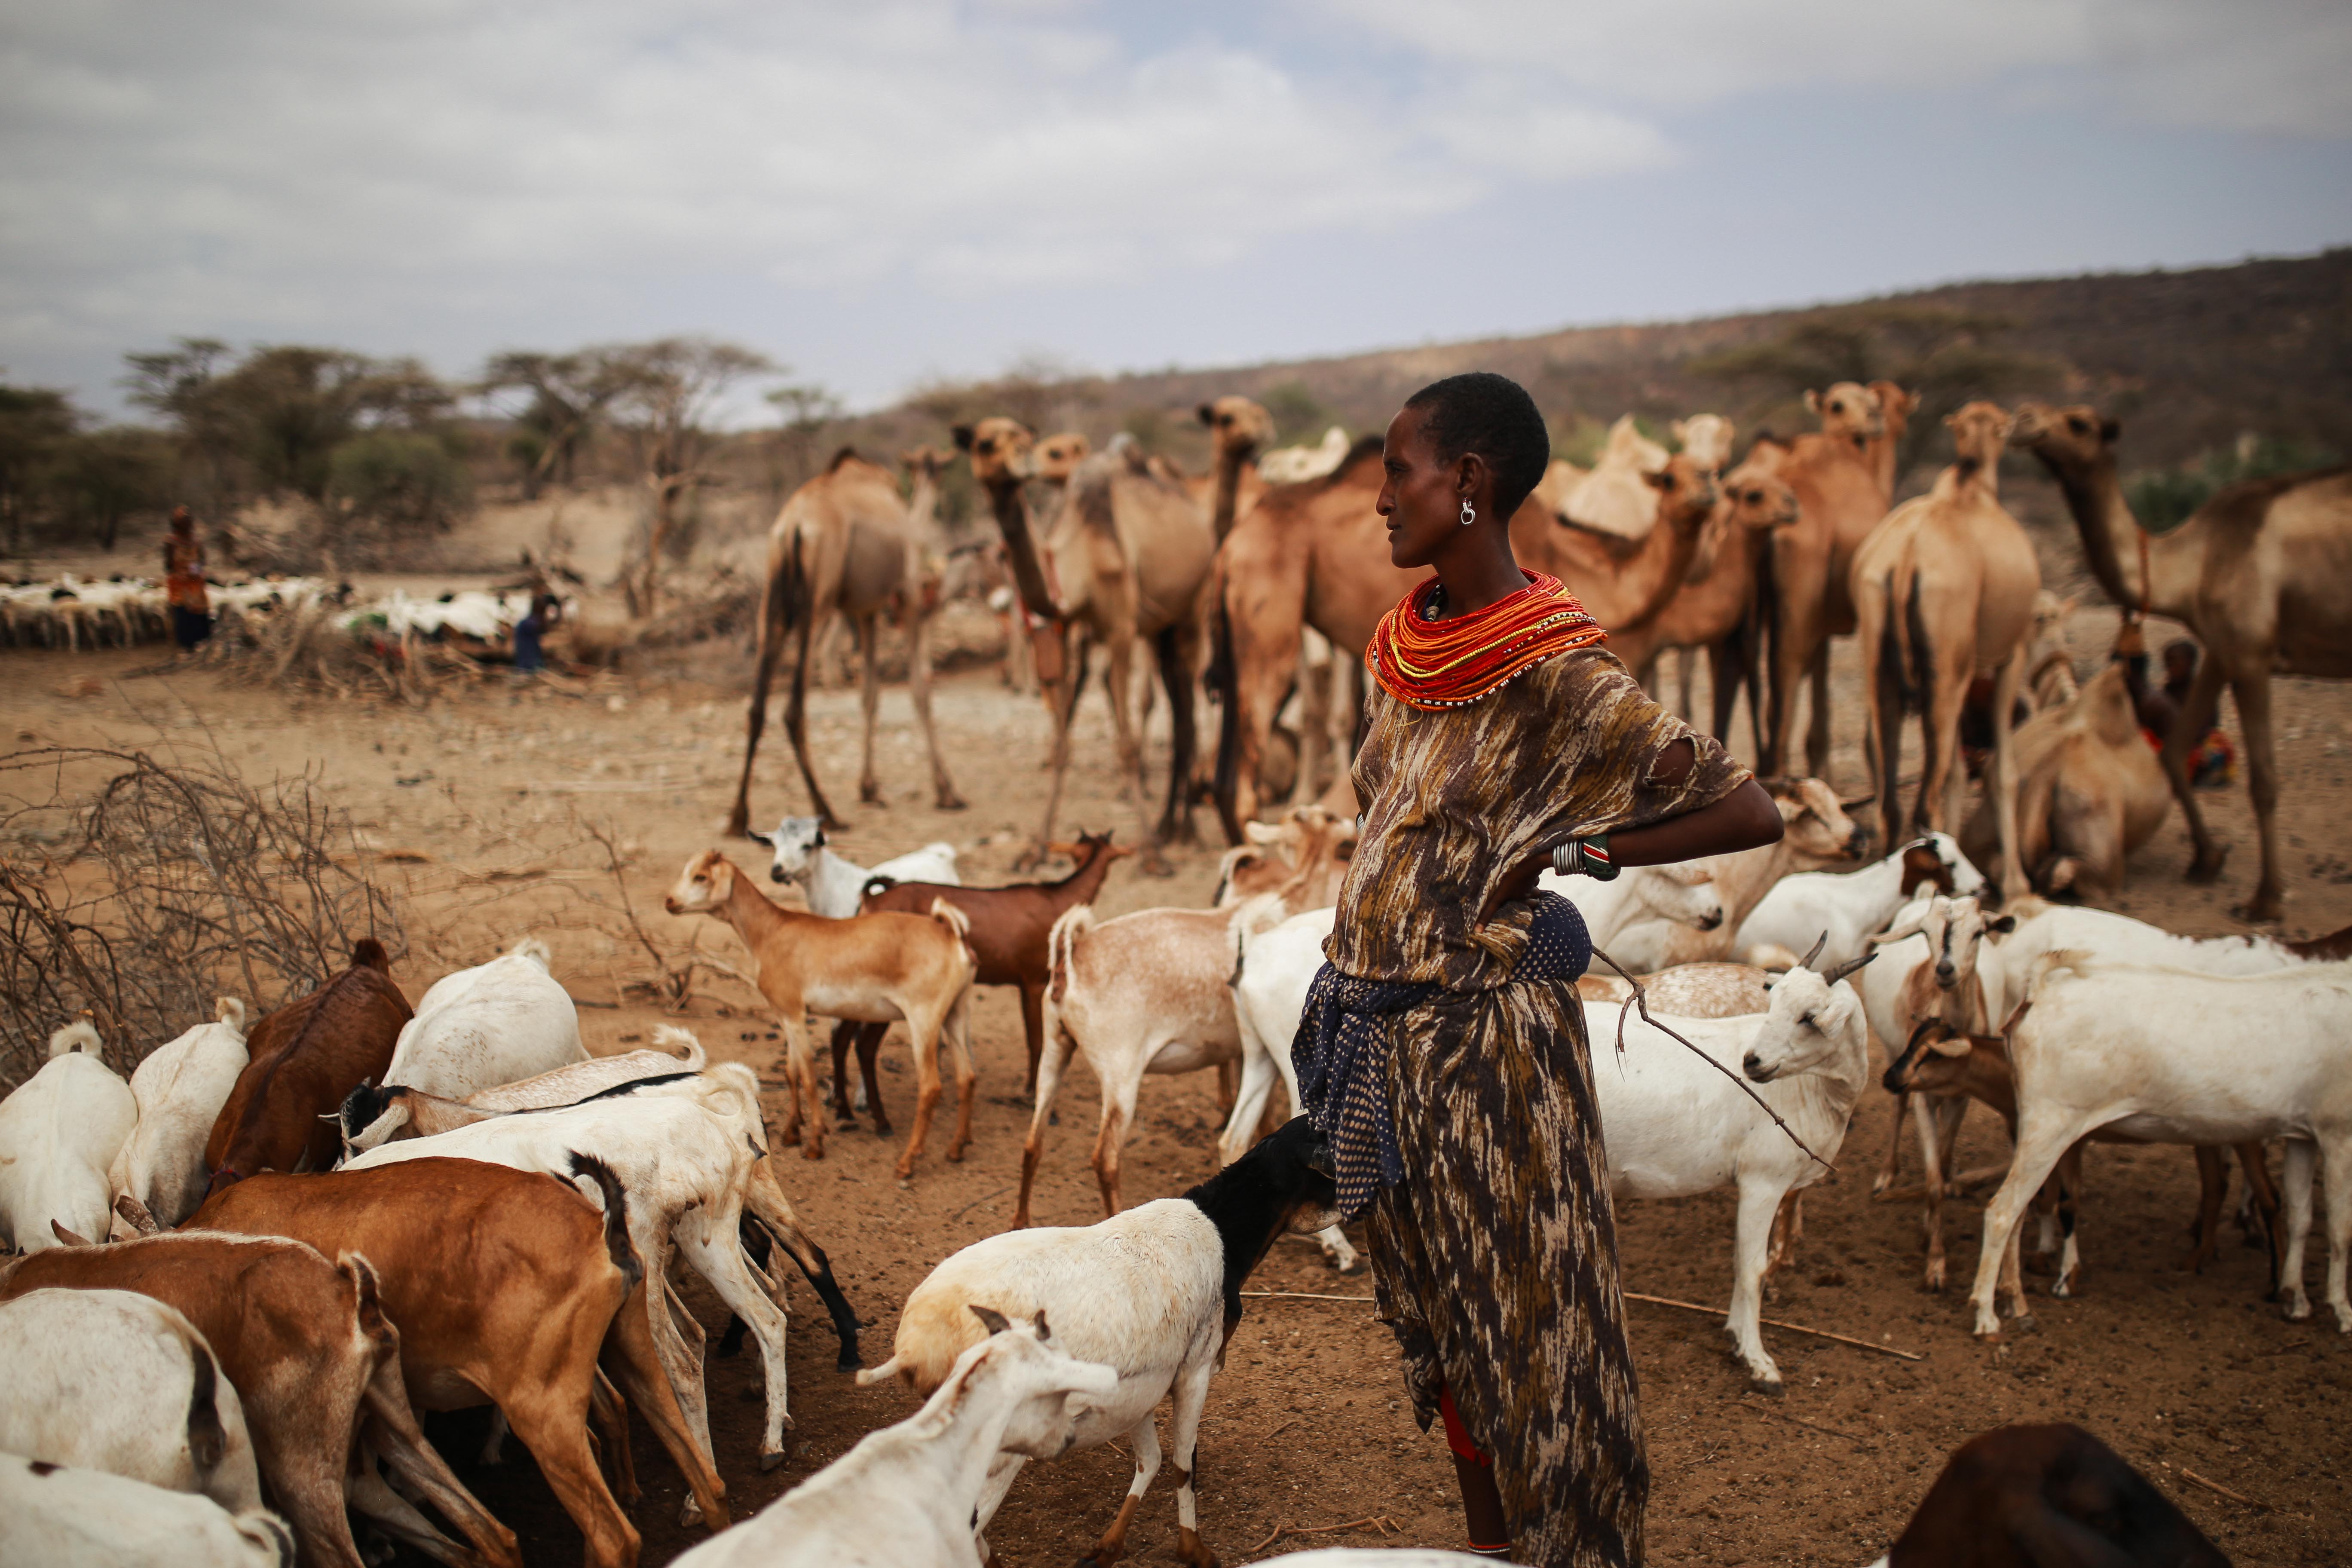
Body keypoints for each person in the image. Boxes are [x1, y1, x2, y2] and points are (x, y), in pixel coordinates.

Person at [1292, 373, 1782, 1567]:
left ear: (1468, 484)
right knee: (1453, 1336)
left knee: (1536, 1335)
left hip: (1491, 1063)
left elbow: (1745, 805)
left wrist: (1575, 847)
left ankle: (1574, 1551)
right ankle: (1490, 1556)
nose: (1379, 497)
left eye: (1401, 471)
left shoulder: (1560, 676)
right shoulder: (1418, 654)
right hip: (1387, 1043)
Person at [162, 505, 211, 652]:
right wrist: (181, 572)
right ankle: (186, 645)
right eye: (183, 521)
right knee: (183, 612)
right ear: (176, 523)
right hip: (179, 583)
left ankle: (202, 640)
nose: (187, 524)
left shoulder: (196, 542)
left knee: (200, 612)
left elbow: (202, 561)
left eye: (188, 521)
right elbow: (168, 565)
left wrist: (193, 571)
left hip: (195, 582)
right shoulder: (171, 542)